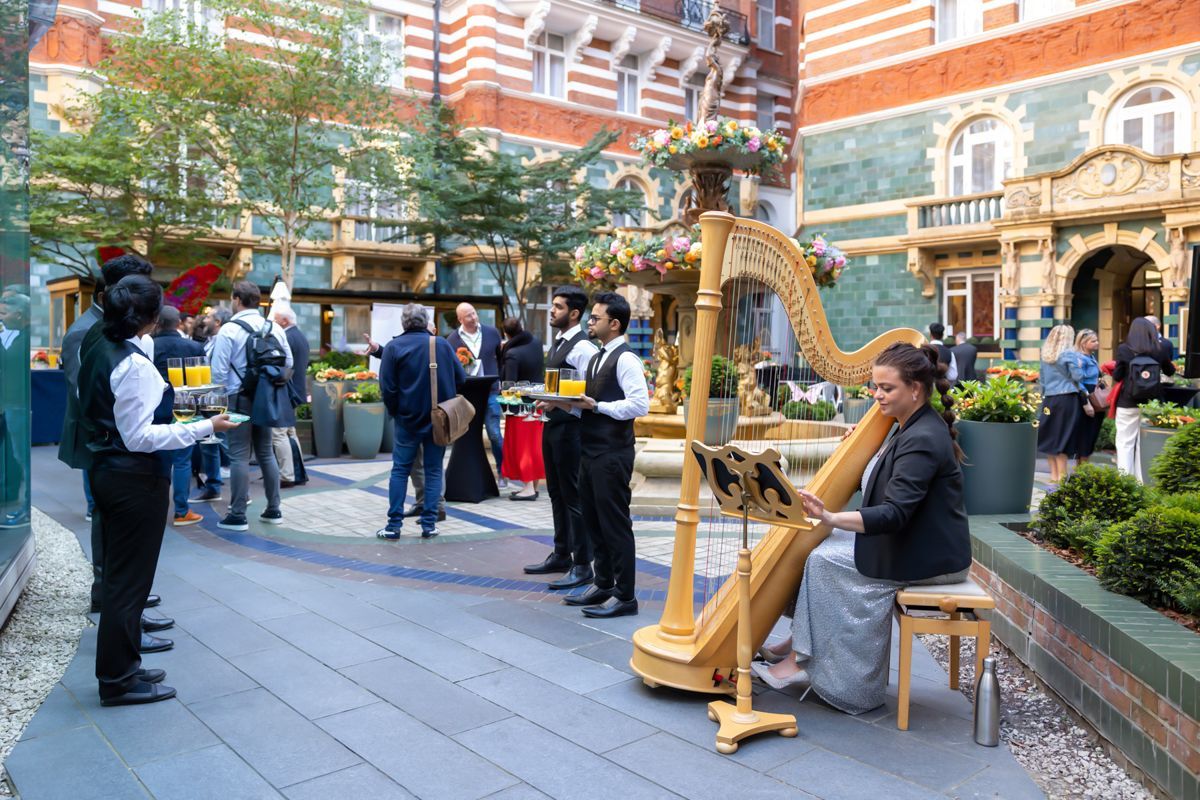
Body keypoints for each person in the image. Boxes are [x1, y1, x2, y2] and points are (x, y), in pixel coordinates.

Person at [751, 343, 971, 715]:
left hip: (931, 554)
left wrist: (833, 517)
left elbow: (895, 514)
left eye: (887, 389)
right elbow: (888, 481)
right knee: (819, 547)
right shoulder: (909, 425)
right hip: (915, 539)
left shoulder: (922, 438)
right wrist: (867, 449)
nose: (877, 396)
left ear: (915, 389)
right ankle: (799, 642)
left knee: (823, 559)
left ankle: (806, 663)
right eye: (875, 387)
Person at [78, 275, 239, 706]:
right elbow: (139, 436)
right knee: (128, 584)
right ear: (149, 318)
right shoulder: (131, 365)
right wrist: (206, 425)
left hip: (109, 472)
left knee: (121, 579)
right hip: (133, 478)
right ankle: (117, 679)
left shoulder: (97, 347)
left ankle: (123, 667)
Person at [58, 254, 168, 620]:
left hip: (118, 441)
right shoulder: (85, 331)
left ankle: (123, 598)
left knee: (115, 526)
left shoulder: (119, 326)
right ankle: (110, 598)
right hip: (103, 441)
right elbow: (86, 393)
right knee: (108, 524)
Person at [556, 292, 649, 618]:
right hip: (590, 449)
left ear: (615, 323)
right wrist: (566, 404)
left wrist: (598, 406)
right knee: (594, 522)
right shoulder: (595, 357)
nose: (590, 322)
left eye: (595, 318)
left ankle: (625, 596)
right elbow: (590, 406)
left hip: (612, 454)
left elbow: (640, 405)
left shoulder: (626, 359)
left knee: (615, 525)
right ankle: (604, 583)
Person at [525, 287, 599, 589]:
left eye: (557, 306)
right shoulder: (558, 343)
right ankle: (561, 552)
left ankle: (583, 564)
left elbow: (588, 394)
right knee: (556, 492)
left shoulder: (584, 349)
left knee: (574, 497)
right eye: (552, 306)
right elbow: (560, 388)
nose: (552, 311)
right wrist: (546, 399)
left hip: (572, 431)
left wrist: (559, 403)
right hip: (553, 425)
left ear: (574, 313)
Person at [377, 304, 465, 540]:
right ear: (426, 321)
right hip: (438, 419)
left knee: (400, 471)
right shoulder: (441, 344)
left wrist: (397, 411)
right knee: (434, 470)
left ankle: (394, 526)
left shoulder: (394, 347)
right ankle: (429, 525)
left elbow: (387, 388)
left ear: (404, 323)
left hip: (406, 420)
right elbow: (461, 377)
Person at [210, 281, 293, 531]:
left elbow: (218, 373)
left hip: (238, 398)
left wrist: (218, 404)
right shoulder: (274, 327)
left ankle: (237, 515)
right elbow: (288, 362)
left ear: (237, 299)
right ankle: (273, 509)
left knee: (238, 455)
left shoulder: (229, 330)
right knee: (266, 452)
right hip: (266, 397)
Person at [150, 305, 206, 527]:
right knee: (182, 461)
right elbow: (202, 382)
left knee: (157, 460)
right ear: (179, 323)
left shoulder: (149, 347)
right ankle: (181, 511)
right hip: (186, 406)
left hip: (156, 407)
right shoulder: (193, 347)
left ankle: (155, 508)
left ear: (158, 323)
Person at [447, 303, 505, 486]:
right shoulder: (452, 339)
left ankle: (502, 472)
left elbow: (501, 358)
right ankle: (469, 474)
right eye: (468, 316)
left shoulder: (492, 333)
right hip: (467, 394)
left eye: (474, 313)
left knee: (494, 433)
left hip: (491, 390)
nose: (473, 318)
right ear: (460, 319)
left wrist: (501, 380)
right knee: (466, 436)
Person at [1112, 317, 1176, 482]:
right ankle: (1142, 481)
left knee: (1125, 442)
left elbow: (1117, 375)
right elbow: (1169, 371)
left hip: (1127, 401)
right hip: (1152, 402)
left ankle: (1126, 480)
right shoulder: (1160, 349)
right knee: (1144, 443)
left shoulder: (1124, 349)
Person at [499, 316, 545, 501]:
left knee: (523, 447)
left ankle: (527, 488)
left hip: (520, 407)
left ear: (506, 334)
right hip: (538, 402)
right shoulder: (536, 343)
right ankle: (533, 485)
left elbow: (509, 385)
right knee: (534, 446)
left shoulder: (512, 354)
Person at [1037, 324, 1089, 485]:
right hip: (1067, 399)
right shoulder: (1069, 354)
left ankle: (1054, 475)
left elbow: (1043, 381)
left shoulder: (1045, 355)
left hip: (1050, 399)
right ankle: (1062, 475)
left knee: (1051, 437)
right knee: (1064, 438)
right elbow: (1078, 376)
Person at [270, 305, 309, 488]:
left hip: (287, 391)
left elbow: (283, 366)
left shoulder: (287, 336)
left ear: (285, 321)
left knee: (279, 433)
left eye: (275, 319)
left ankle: (287, 475)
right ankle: (298, 473)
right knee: (290, 432)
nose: (273, 323)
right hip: (296, 390)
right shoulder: (299, 335)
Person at [0, 293, 30, 527]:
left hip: (18, 406)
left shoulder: (23, 340)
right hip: (13, 405)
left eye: (3, 313)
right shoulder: (20, 337)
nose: (1, 317)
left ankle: (26, 508)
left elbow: (8, 365)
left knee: (22, 458)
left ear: (19, 315)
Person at [1072, 329, 1104, 465]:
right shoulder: (1080, 359)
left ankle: (1083, 465)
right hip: (1087, 396)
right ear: (1084, 343)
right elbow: (1077, 381)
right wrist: (1086, 401)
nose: (1097, 343)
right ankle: (1082, 467)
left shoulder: (1091, 357)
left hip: (1093, 394)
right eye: (1093, 341)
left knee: (1092, 432)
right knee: (1086, 433)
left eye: (1097, 340)